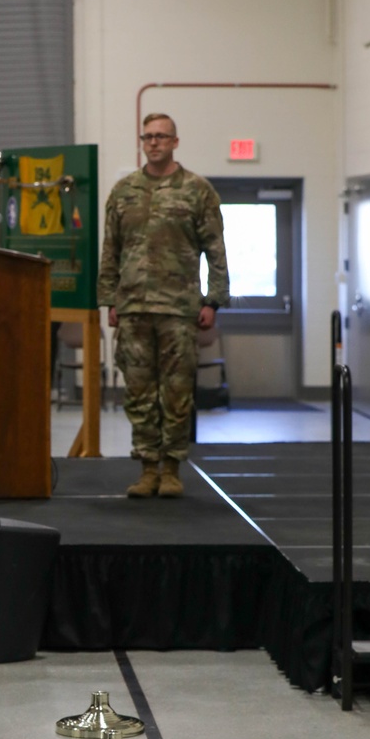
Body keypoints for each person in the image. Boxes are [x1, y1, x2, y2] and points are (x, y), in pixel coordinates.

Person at [99, 113, 230, 498]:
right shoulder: (123, 192)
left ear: (175, 142)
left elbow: (215, 250)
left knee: (176, 391)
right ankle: (146, 467)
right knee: (138, 391)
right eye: (148, 136)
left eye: (162, 137)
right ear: (142, 142)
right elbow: (111, 250)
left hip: (179, 309)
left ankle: (171, 468)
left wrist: (213, 302)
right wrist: (109, 299)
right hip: (134, 307)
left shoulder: (197, 190)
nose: (154, 143)